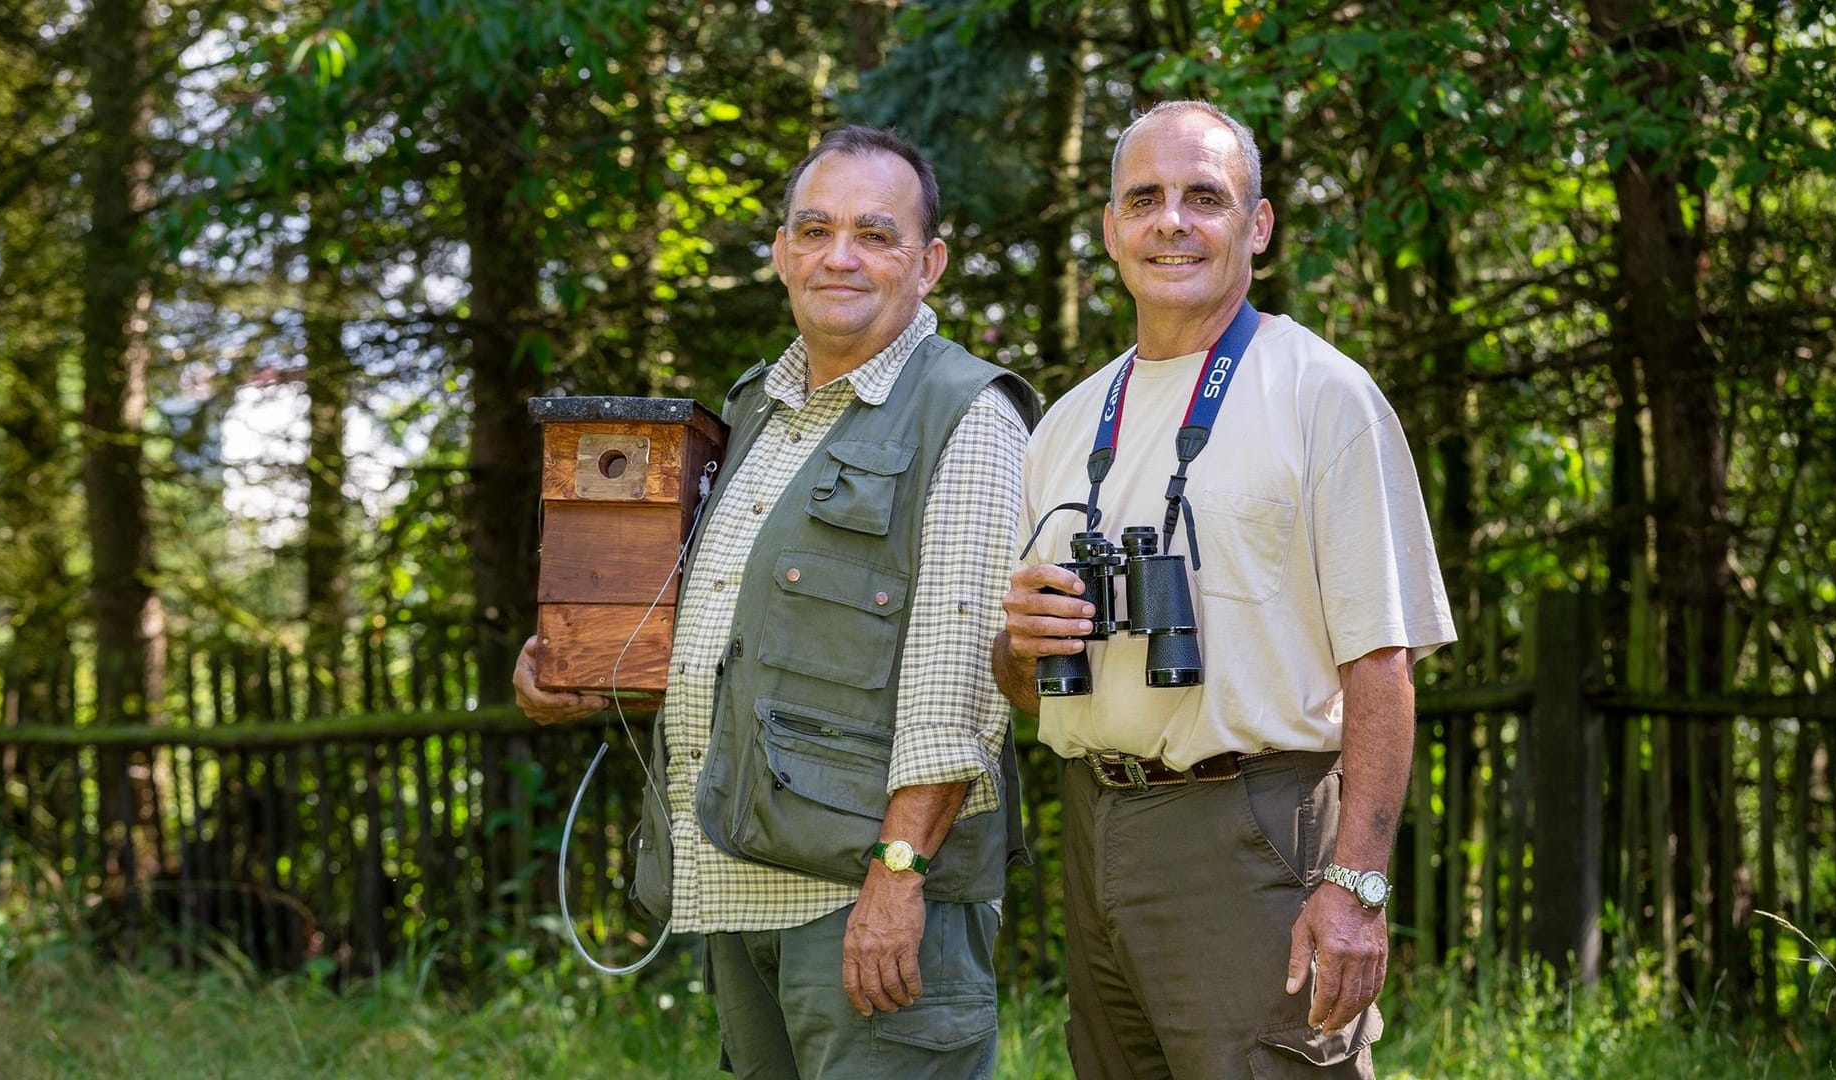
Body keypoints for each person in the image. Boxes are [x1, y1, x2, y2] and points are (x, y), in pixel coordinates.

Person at [515, 126, 1039, 1079]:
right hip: (730, 887)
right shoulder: (753, 406)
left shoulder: (967, 412)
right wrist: (588, 674)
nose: (839, 255)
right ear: (780, 253)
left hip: (863, 903)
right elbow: (735, 643)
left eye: (875, 235)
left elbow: (959, 679)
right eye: (815, 228)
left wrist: (899, 875)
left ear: (930, 264)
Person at [994, 100, 1456, 1078]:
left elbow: (1383, 663)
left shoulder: (1321, 395)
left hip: (1253, 826)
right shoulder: (1069, 422)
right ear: (1112, 227)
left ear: (1257, 225)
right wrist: (1018, 645)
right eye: (1145, 198)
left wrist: (1357, 887)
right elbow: (1026, 688)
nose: (1173, 221)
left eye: (1205, 197)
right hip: (1095, 816)